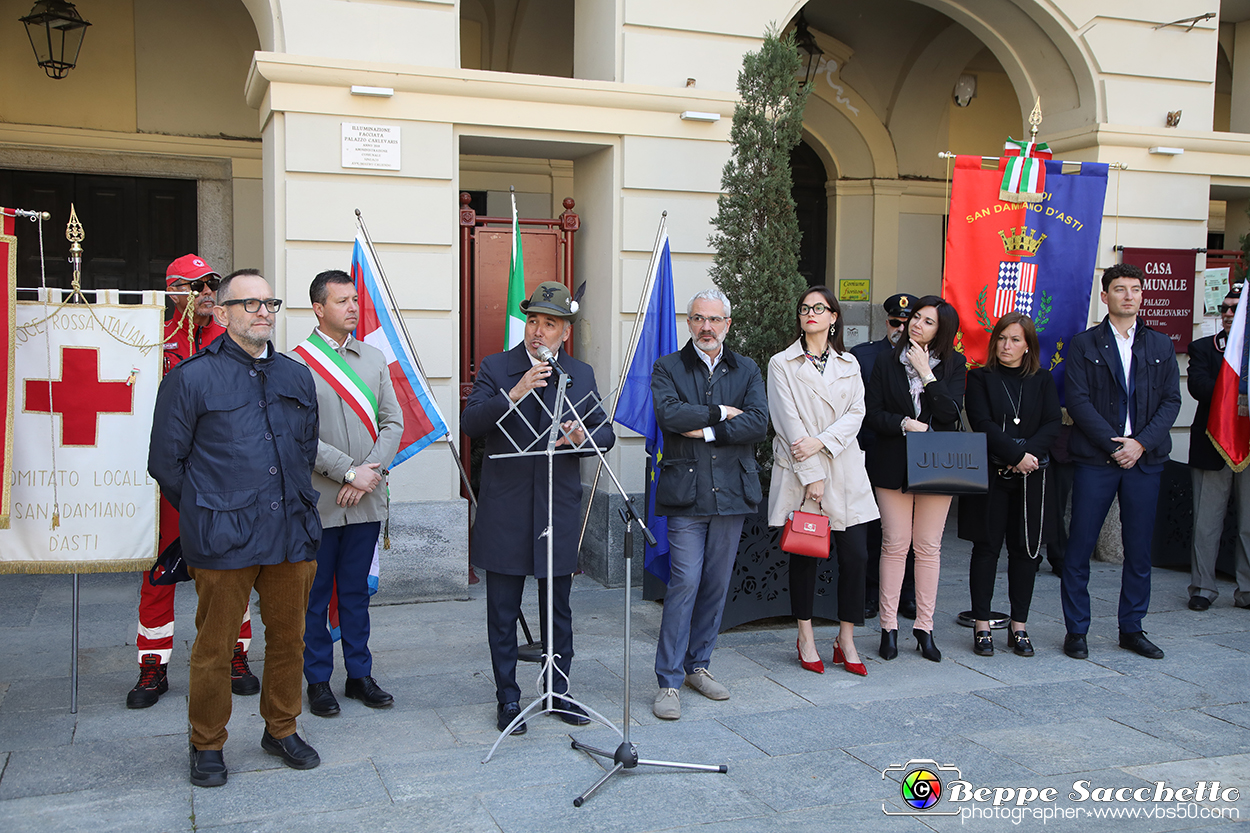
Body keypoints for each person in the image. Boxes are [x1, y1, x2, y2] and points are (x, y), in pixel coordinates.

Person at [148, 269, 323, 787]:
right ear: (221, 314)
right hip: (224, 537)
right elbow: (166, 462)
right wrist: (209, 510)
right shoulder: (191, 378)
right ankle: (206, 742)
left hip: (291, 531)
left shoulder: (295, 376)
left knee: (291, 639)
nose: (263, 311)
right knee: (215, 647)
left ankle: (282, 727)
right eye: (249, 304)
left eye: (270, 301)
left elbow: (305, 449)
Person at [462, 281, 614, 735]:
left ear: (564, 332)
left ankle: (558, 691)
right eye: (533, 321)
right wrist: (515, 391)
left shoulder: (580, 374)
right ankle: (508, 697)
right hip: (506, 509)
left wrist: (581, 436)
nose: (538, 332)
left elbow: (603, 433)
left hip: (557, 508)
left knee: (558, 608)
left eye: (549, 324)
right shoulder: (498, 367)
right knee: (503, 610)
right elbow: (472, 422)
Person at [127, 254, 257, 709]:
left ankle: (235, 655)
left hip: (222, 479)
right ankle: (152, 665)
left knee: (230, 570)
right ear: (172, 290)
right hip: (170, 482)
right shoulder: (147, 338)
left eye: (211, 285)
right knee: (159, 573)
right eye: (195, 285)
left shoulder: (232, 340)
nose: (205, 293)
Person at [650, 289, 768, 720]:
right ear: (688, 322)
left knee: (717, 584)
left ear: (727, 325)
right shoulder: (668, 367)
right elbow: (670, 417)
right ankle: (668, 681)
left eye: (715, 320)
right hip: (687, 495)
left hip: (732, 494)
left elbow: (758, 423)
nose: (707, 327)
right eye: (699, 318)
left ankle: (699, 665)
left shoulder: (747, 368)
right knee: (684, 583)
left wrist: (710, 430)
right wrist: (721, 412)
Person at [292, 270, 404, 717]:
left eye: (354, 300)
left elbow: (393, 421)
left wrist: (368, 475)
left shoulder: (374, 359)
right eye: (342, 301)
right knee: (315, 596)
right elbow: (298, 433)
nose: (353, 308)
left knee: (356, 593)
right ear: (319, 309)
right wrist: (348, 473)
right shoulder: (297, 362)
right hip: (321, 501)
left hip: (367, 499)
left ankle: (359, 674)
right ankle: (318, 680)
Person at [1061, 263, 1181, 660]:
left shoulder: (1160, 345)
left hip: (1144, 461)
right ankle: (1077, 630)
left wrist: (1140, 444)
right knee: (1079, 547)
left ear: (1142, 296)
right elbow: (1077, 401)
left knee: (1139, 550)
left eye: (1135, 289)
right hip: (1097, 459)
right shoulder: (1084, 344)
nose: (1128, 295)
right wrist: (1115, 446)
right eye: (1119, 289)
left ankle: (1132, 628)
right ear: (1105, 296)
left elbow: (1170, 402)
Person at [767, 286, 878, 676]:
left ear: (833, 317)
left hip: (845, 470)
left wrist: (822, 442)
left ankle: (846, 637)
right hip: (804, 474)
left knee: (856, 556)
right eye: (805, 308)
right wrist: (812, 473)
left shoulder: (850, 363)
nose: (811, 313)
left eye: (819, 307)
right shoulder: (781, 363)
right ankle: (806, 635)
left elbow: (857, 412)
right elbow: (786, 421)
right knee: (806, 557)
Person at [863, 295, 965, 663]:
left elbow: (950, 414)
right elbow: (872, 413)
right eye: (916, 318)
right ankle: (888, 627)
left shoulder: (954, 365)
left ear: (943, 331)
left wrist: (927, 373)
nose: (916, 325)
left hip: (937, 464)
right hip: (892, 462)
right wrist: (903, 423)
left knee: (927, 546)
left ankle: (924, 627)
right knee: (895, 543)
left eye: (927, 321)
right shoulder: (886, 361)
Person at [958, 312, 1061, 657]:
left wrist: (1027, 456)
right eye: (1002, 338)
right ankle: (983, 624)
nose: (1007, 345)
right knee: (986, 549)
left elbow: (1051, 422)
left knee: (1026, 552)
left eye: (1015, 339)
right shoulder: (980, 378)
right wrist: (1016, 455)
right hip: (992, 475)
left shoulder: (1042, 380)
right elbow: (982, 422)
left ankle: (1019, 625)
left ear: (1028, 345)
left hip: (1031, 478)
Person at [851, 293, 919, 621]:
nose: (901, 328)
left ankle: (906, 594)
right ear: (887, 322)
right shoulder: (863, 356)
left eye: (908, 322)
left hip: (911, 454)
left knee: (909, 530)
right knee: (871, 529)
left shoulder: (925, 359)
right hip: (871, 450)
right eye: (895, 322)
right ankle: (869, 592)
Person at [1186, 285, 1250, 611]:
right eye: (1225, 308)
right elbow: (1199, 387)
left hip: (1248, 447)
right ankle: (1202, 587)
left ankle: (1247, 590)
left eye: (1235, 308)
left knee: (1248, 524)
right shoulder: (1203, 348)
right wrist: (1239, 393)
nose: (1227, 314)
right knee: (1206, 522)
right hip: (1213, 445)